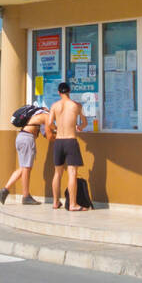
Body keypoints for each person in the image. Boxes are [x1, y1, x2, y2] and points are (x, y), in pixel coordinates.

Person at [0, 105, 50, 205]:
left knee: (23, 168)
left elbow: (44, 132)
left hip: (21, 137)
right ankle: (26, 196)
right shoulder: (46, 116)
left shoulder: (35, 114)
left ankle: (5, 189)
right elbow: (48, 133)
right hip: (27, 139)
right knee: (26, 168)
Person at [48, 82, 88, 211]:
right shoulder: (76, 105)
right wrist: (79, 127)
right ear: (69, 91)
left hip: (59, 141)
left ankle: (55, 202)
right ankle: (72, 204)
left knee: (57, 173)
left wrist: (57, 128)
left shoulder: (54, 106)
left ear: (59, 92)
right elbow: (84, 122)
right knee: (72, 173)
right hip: (71, 140)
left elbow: (49, 124)